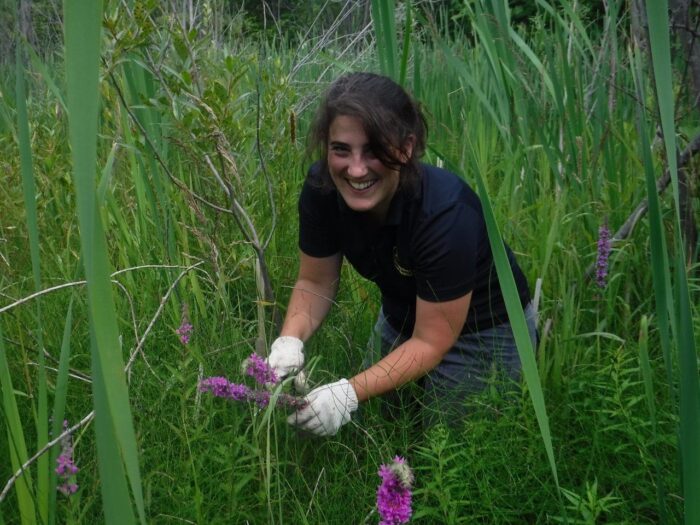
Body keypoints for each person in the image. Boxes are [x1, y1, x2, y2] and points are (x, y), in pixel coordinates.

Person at [267, 72, 536, 436]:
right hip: (403, 314)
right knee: (369, 431)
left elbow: (431, 340)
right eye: (341, 149)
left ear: (406, 148)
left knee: (449, 451)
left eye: (374, 150)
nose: (356, 169)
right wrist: (290, 339)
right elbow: (315, 281)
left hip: (484, 329)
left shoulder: (444, 213)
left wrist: (348, 392)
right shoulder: (322, 189)